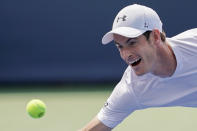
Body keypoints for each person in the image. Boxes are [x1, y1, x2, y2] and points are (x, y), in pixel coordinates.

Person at [80, 4, 197, 131]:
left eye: (132, 43)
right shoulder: (131, 89)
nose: (126, 55)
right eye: (120, 46)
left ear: (155, 37)